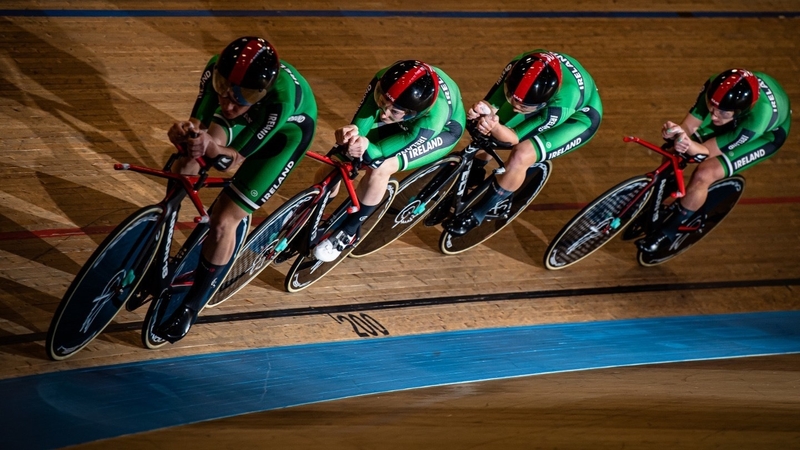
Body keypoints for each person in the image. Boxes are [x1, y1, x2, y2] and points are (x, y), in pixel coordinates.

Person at [156, 36, 317, 342]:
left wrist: (212, 150)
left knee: (222, 221)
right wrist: (186, 135)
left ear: (260, 92)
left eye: (238, 99)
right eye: (224, 93)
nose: (227, 105)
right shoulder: (217, 71)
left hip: (284, 135)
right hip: (252, 115)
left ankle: (192, 305)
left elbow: (233, 160)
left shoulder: (279, 99)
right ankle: (159, 238)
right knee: (187, 162)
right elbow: (198, 126)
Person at [312, 60, 466, 262]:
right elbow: (361, 124)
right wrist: (353, 135)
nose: (384, 113)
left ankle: (348, 231)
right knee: (341, 155)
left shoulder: (430, 122)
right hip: (408, 113)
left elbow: (379, 152)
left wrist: (366, 146)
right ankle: (311, 208)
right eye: (383, 102)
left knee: (382, 167)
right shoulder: (384, 80)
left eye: (394, 111)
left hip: (441, 133)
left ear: (413, 113)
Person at [443, 50, 602, 236]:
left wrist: (494, 126)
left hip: (578, 120)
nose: (516, 108)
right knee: (491, 123)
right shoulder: (519, 67)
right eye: (511, 97)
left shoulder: (562, 103)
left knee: (521, 154)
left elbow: (514, 138)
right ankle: (477, 167)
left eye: (524, 107)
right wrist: (483, 109)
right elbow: (493, 103)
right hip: (532, 95)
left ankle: (478, 214)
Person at [637, 68, 791, 252]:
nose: (715, 115)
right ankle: (667, 186)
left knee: (705, 173)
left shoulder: (758, 120)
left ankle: (669, 231)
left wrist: (688, 144)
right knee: (674, 148)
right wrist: (676, 134)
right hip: (740, 116)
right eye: (712, 107)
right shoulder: (715, 87)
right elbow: (688, 126)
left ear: (740, 111)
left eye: (723, 113)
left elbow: (705, 152)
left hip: (766, 136)